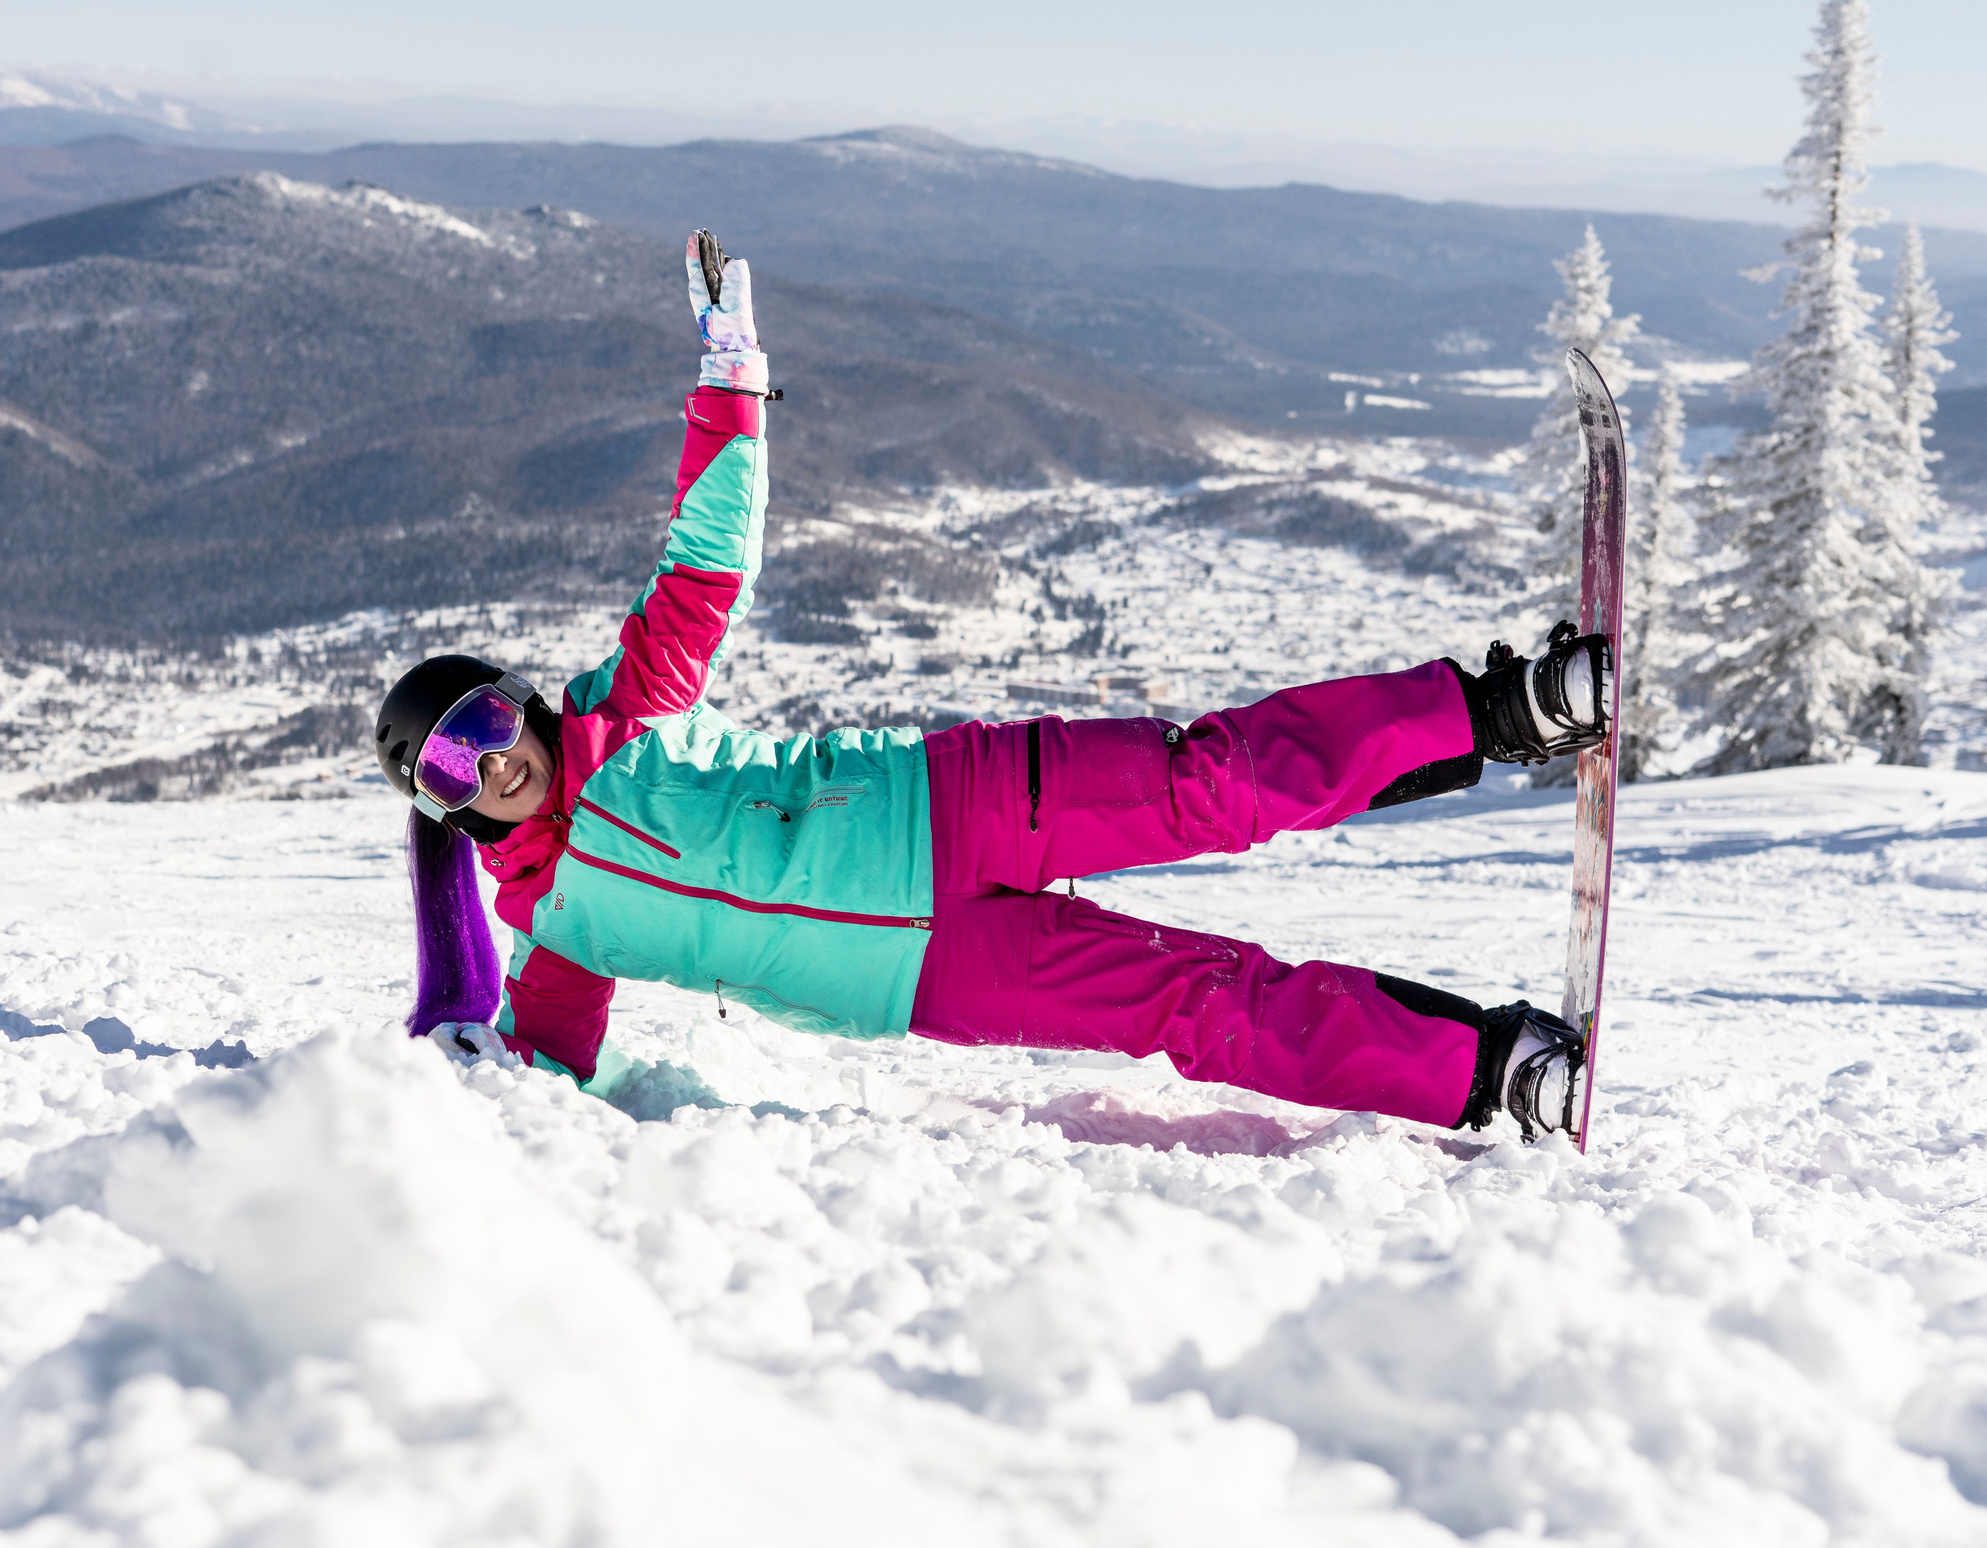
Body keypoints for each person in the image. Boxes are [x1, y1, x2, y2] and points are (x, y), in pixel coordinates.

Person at [374, 232, 1614, 1142]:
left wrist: (731, 383)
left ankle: (1508, 711)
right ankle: (1495, 1072)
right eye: (451, 767)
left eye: (483, 722)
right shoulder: (554, 935)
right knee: (1191, 1005)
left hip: (945, 802)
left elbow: (704, 563)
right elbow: (542, 1078)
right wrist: (464, 1070)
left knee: (1218, 780)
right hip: (929, 976)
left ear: (520, 701)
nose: (491, 760)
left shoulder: (627, 708)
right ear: (445, 807)